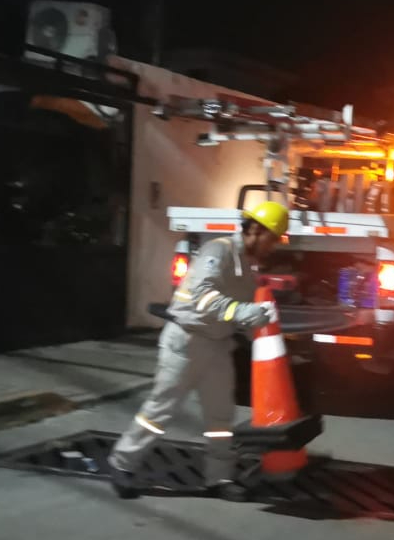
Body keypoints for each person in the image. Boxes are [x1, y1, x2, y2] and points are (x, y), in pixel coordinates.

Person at [108, 201, 289, 501]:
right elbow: (203, 297)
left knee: (220, 418)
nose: (273, 247)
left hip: (217, 346)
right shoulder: (218, 251)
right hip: (187, 342)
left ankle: (218, 479)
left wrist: (261, 329)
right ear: (256, 230)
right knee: (160, 410)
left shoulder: (247, 269)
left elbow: (236, 314)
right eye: (273, 239)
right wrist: (243, 312)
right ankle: (122, 463)